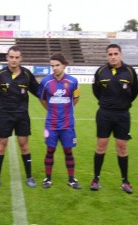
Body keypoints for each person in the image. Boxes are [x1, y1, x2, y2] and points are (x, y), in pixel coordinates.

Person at [90, 44, 138, 194]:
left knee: (122, 147)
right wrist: (107, 103)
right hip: (104, 114)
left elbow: (135, 92)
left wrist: (123, 104)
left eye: (115, 53)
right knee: (101, 146)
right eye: (110, 54)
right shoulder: (100, 71)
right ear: (106, 56)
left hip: (122, 115)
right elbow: (96, 91)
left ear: (120, 54)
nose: (113, 56)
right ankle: (96, 179)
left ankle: (125, 181)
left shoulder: (129, 71)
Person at [0, 45, 39, 189]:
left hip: (22, 115)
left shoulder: (27, 74)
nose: (14, 60)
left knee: (24, 145)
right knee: (1, 145)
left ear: (21, 59)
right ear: (7, 58)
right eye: (11, 57)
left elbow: (38, 92)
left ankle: (29, 177)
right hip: (4, 115)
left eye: (17, 57)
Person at [38, 53, 81, 189]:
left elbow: (76, 98)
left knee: (68, 151)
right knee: (50, 150)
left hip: (68, 124)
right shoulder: (46, 82)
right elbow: (43, 99)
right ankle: (48, 179)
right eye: (52, 66)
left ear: (64, 65)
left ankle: (71, 179)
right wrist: (51, 111)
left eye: (57, 65)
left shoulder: (73, 82)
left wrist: (67, 110)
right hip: (51, 124)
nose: (55, 68)